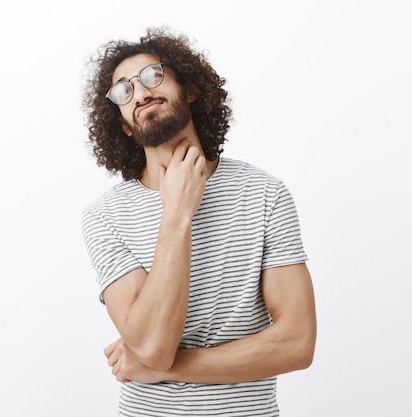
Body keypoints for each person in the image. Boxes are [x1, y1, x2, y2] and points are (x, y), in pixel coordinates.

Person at [80, 27, 317, 416]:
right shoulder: (105, 216)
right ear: (123, 124)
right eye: (123, 91)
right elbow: (153, 344)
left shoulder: (265, 194)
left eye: (152, 75)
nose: (139, 92)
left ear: (189, 89)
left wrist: (164, 368)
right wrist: (176, 212)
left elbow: (297, 343)